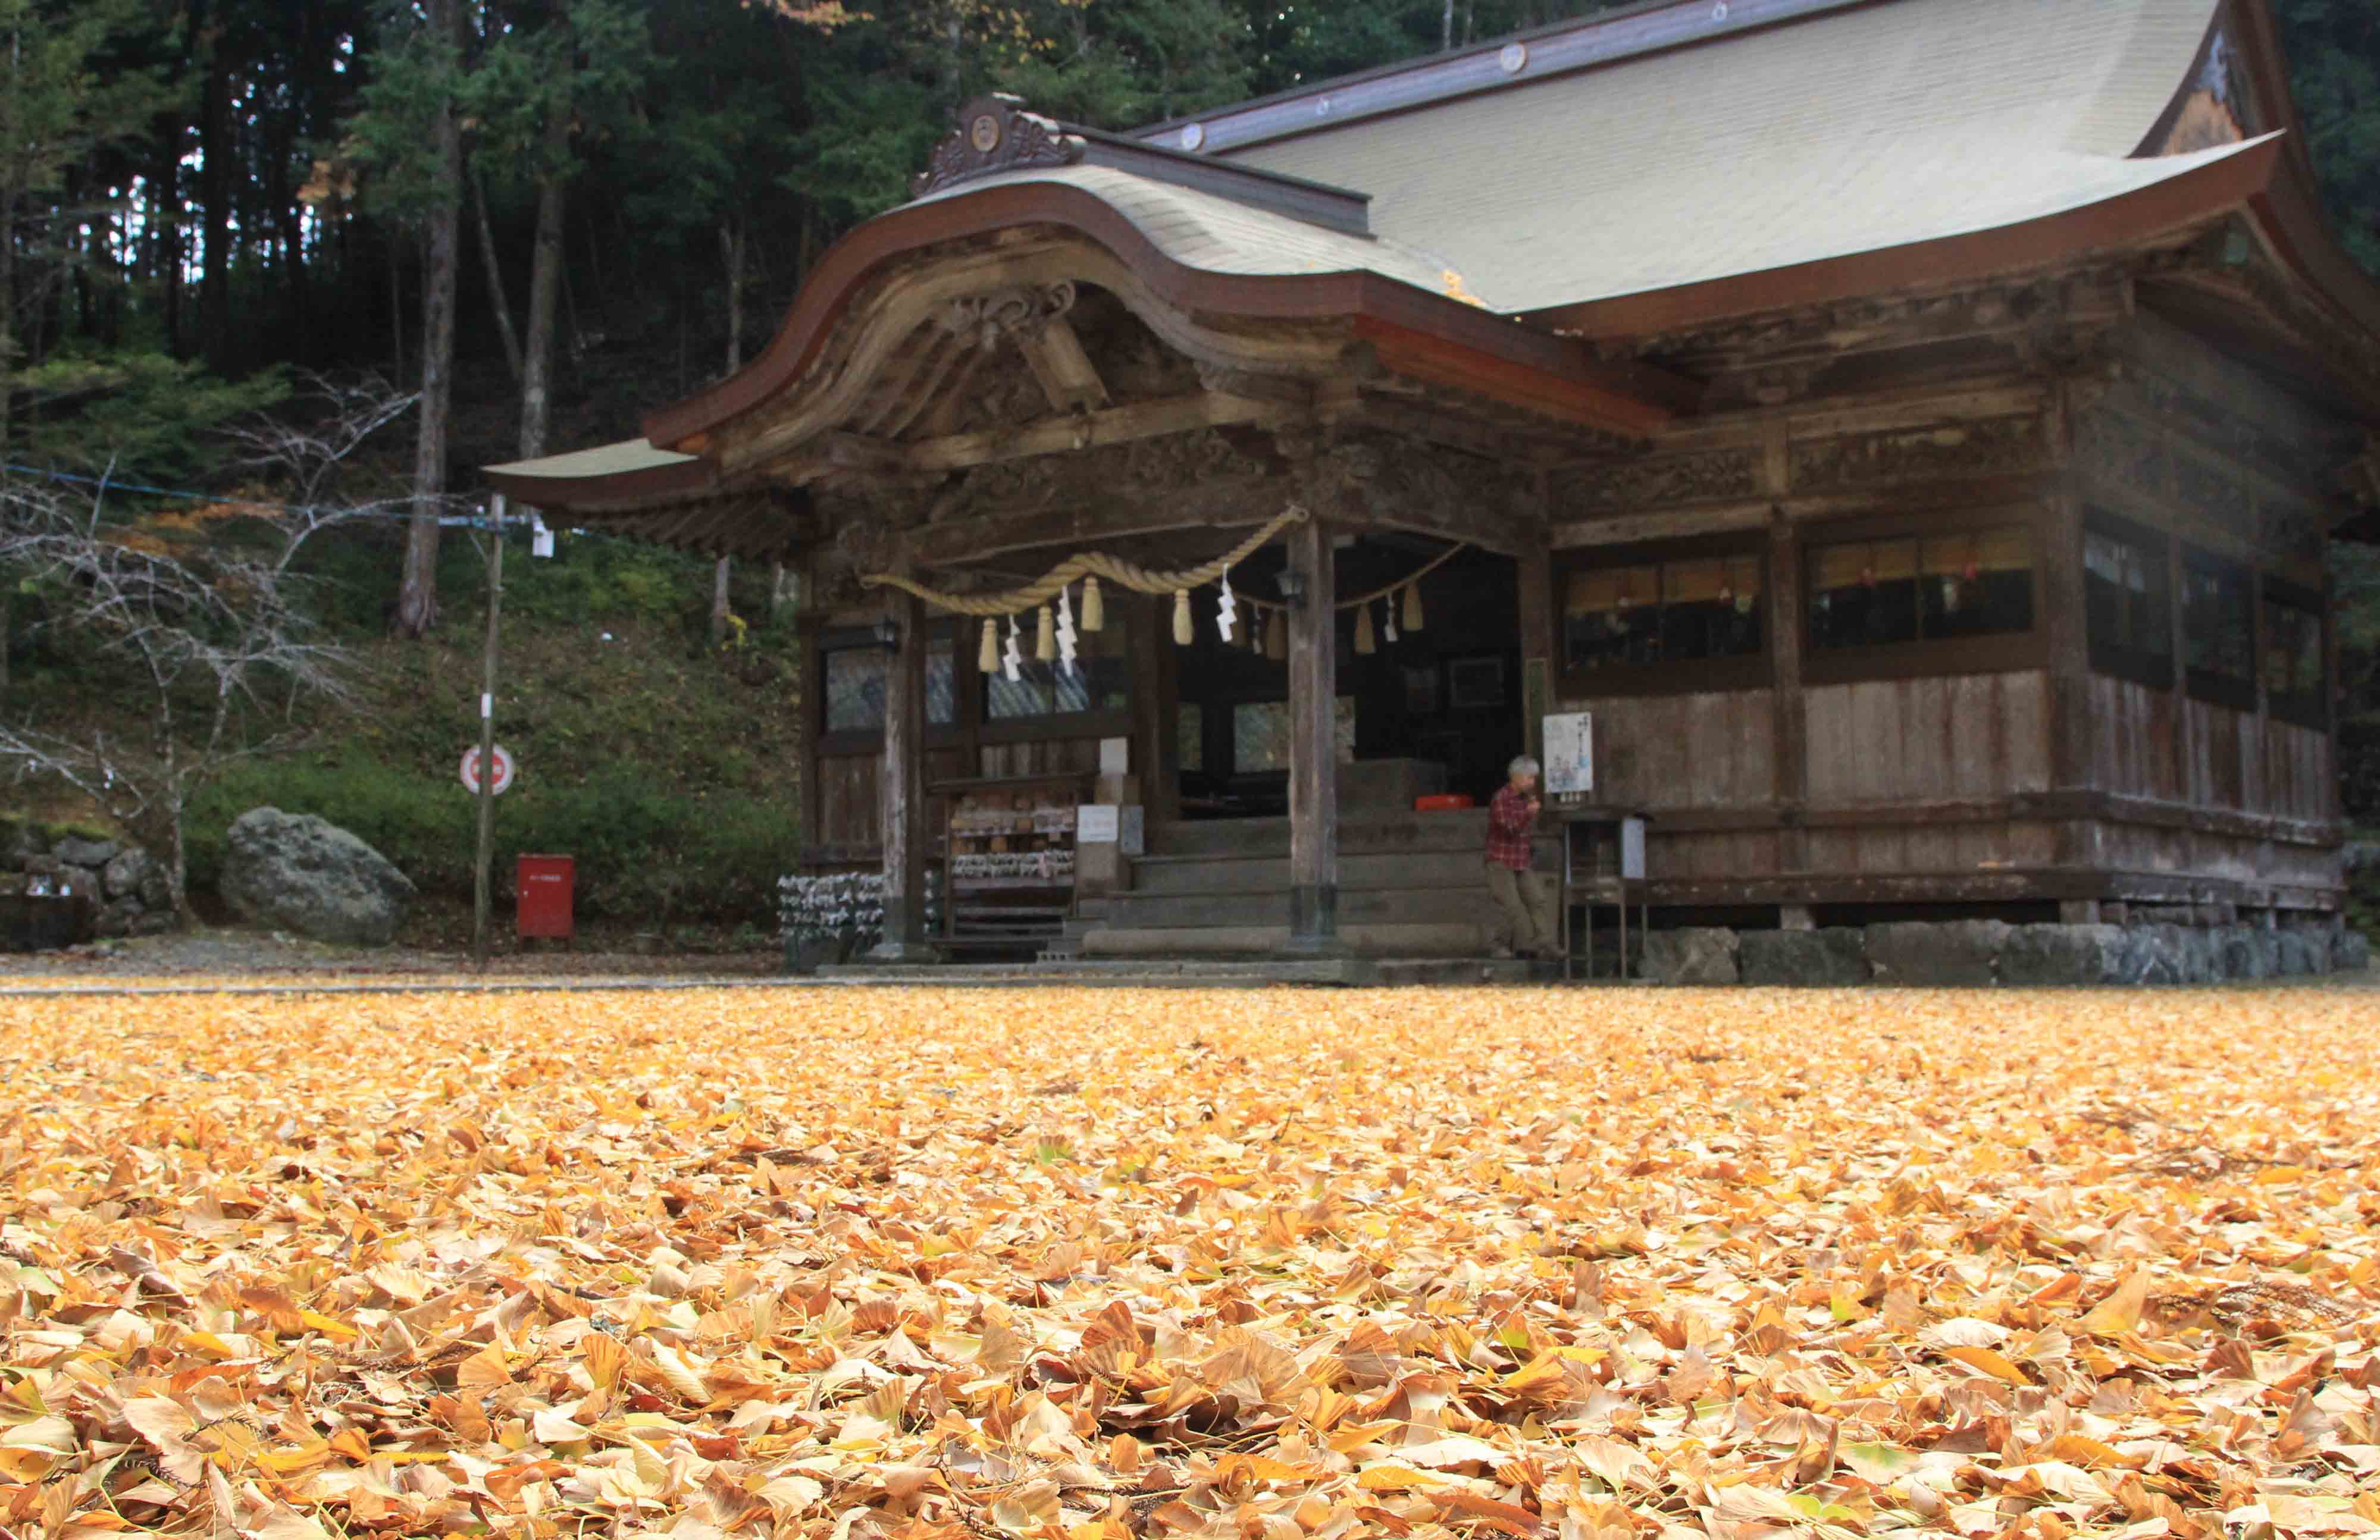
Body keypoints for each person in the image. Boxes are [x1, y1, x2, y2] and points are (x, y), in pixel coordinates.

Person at [1485, 754, 1561, 960]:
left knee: (1538, 900)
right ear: (1516, 777)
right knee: (1510, 906)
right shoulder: (1502, 798)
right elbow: (1509, 828)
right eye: (1529, 778)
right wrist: (1528, 814)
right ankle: (1497, 945)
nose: (1532, 783)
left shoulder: (1524, 799)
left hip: (1520, 860)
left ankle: (1545, 944)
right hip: (1500, 860)